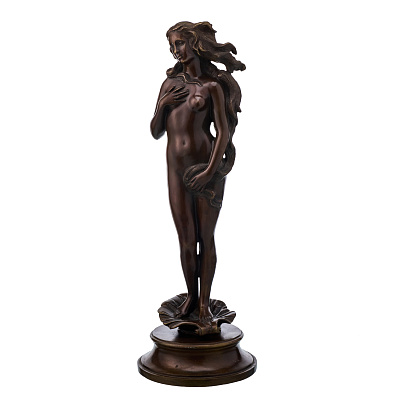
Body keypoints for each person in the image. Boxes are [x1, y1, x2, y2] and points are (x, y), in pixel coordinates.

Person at [150, 21, 245, 325]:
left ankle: (205, 304)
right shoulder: (169, 85)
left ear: (194, 44)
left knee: (206, 236)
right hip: (175, 170)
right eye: (171, 45)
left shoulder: (212, 86)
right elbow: (155, 131)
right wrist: (163, 105)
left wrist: (210, 172)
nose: (174, 50)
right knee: (186, 239)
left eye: (179, 43)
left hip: (206, 168)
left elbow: (224, 133)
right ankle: (192, 295)